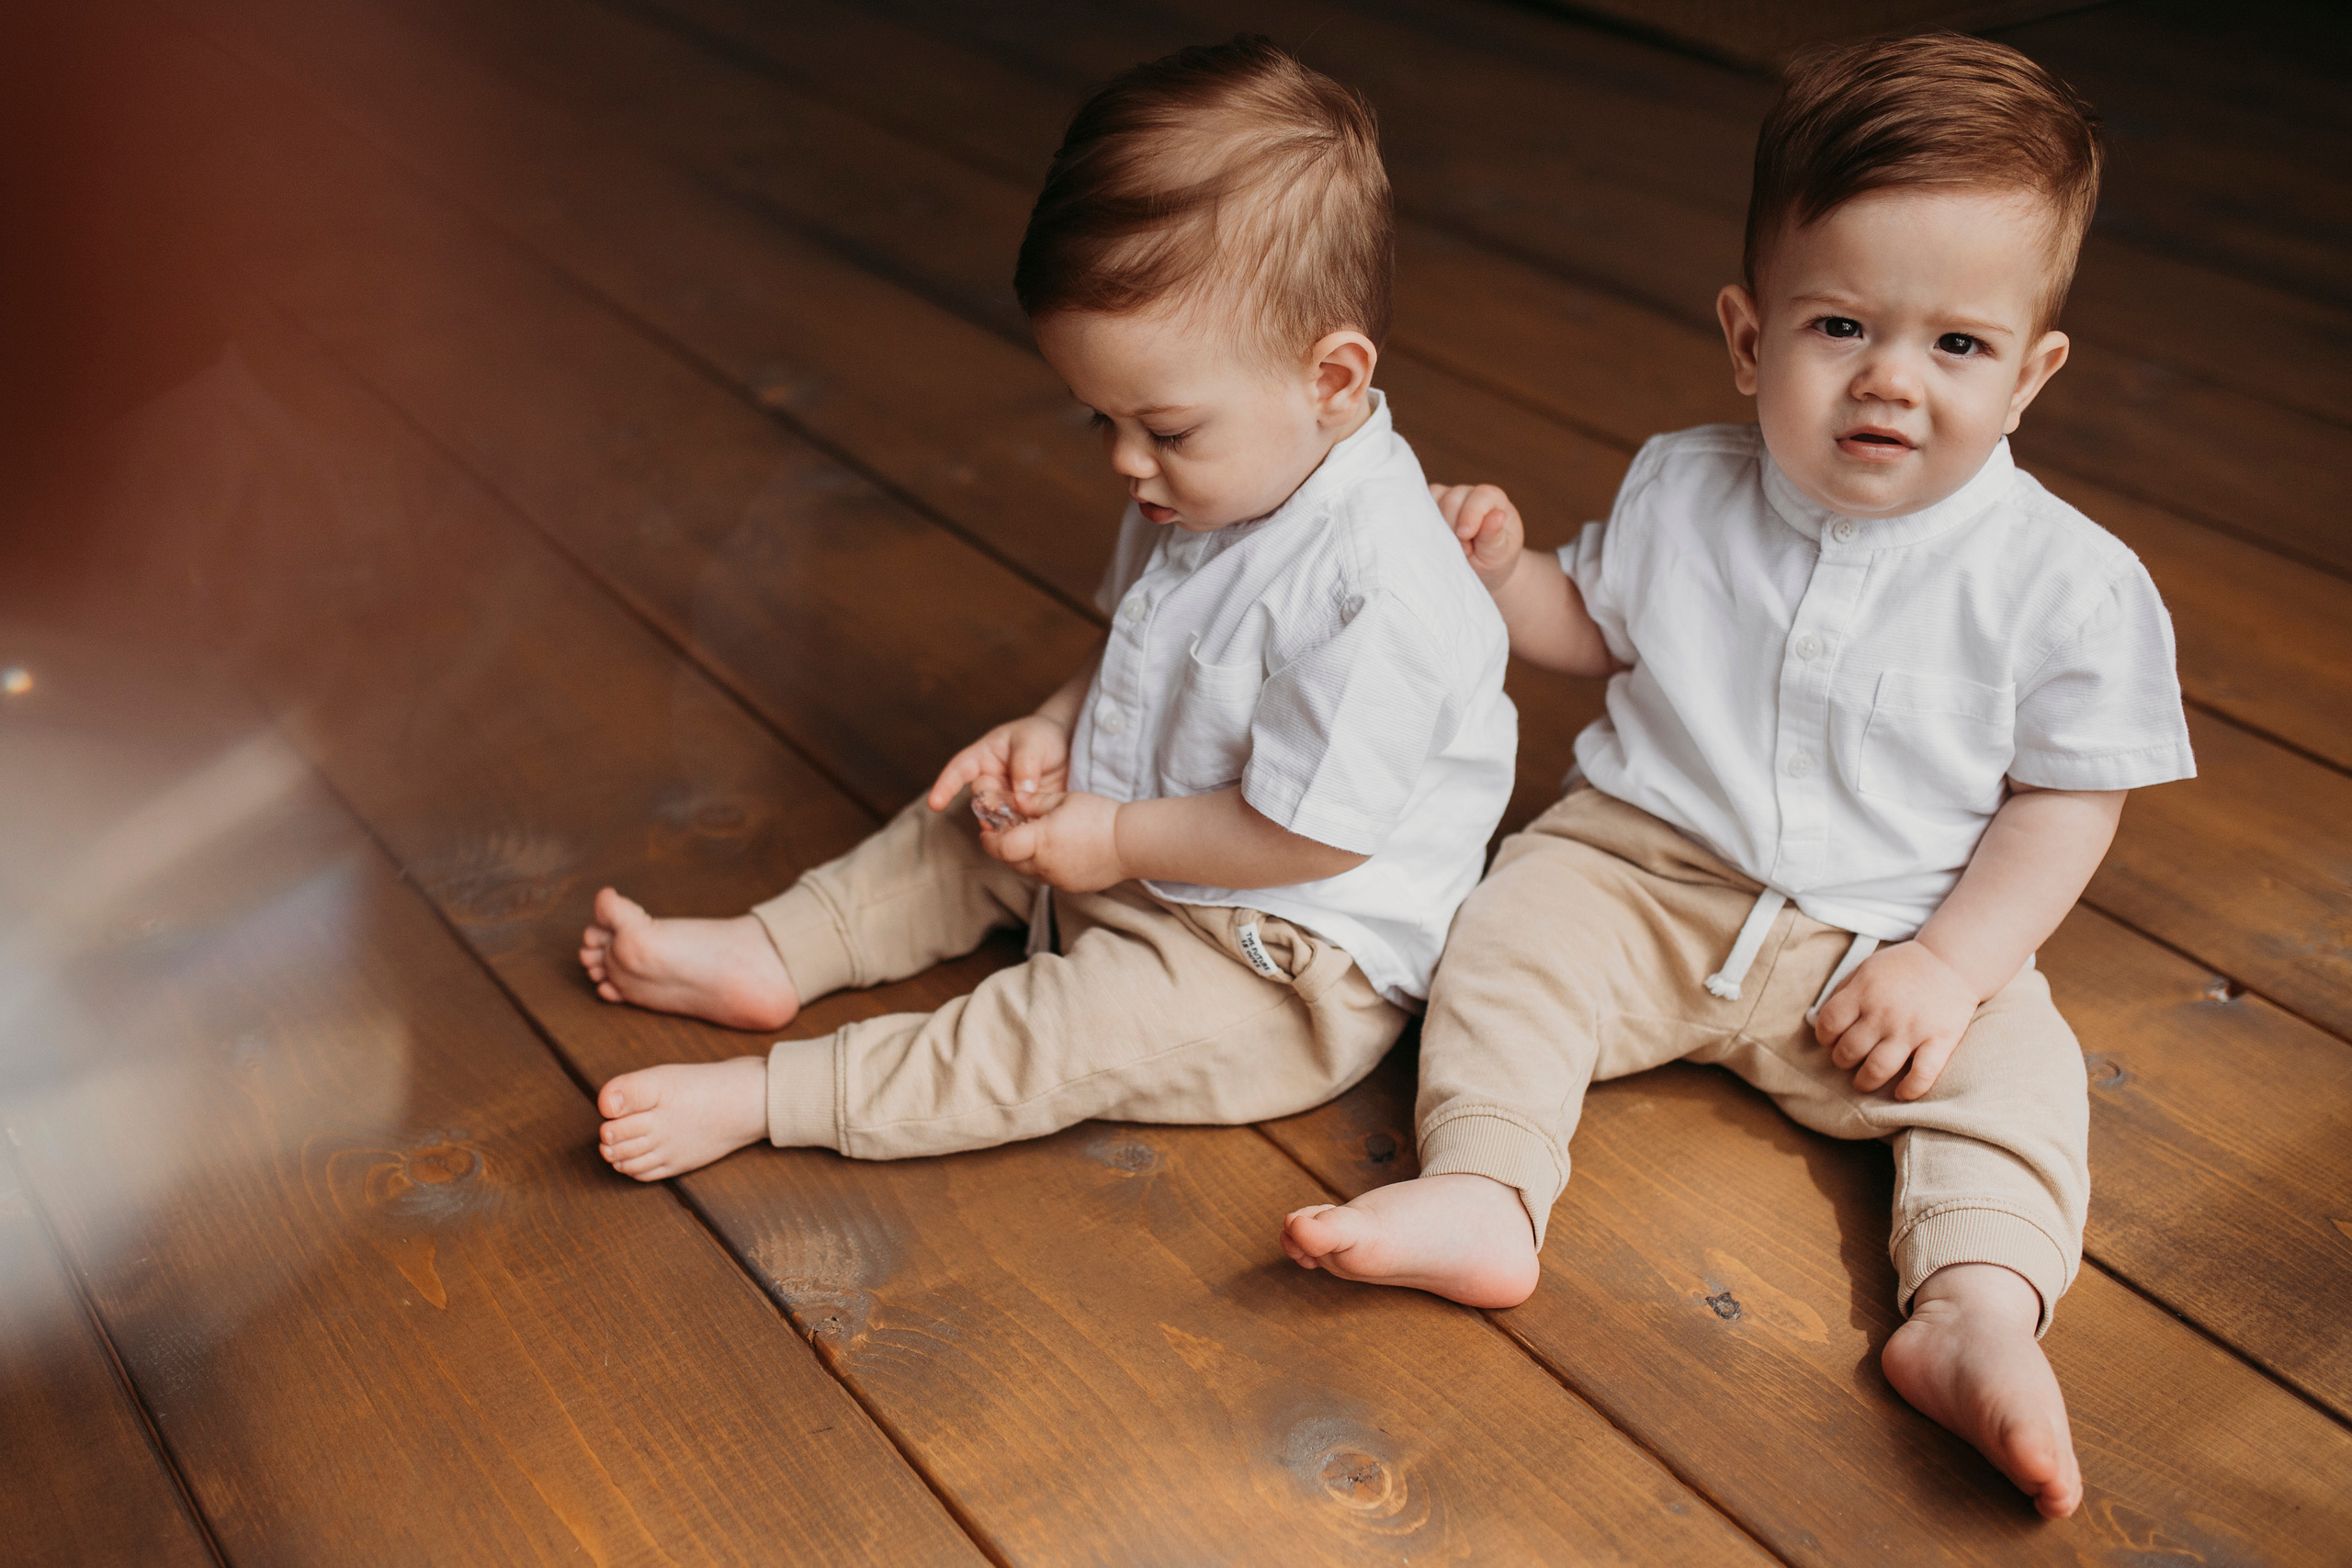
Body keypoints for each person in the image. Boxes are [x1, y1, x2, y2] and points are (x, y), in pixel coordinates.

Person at [1281, 33, 2194, 1521]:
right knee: (1509, 935)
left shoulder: (2069, 587)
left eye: (1956, 346)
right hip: (1643, 869)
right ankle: (1489, 1186)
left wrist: (1956, 969)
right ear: (1749, 335)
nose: (1892, 381)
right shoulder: (1685, 486)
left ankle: (1975, 1307)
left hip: (1892, 941)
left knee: (2022, 1080)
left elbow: (2065, 799)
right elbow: (1590, 627)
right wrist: (1503, 572)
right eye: (1842, 325)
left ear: (2031, 373)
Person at [578, 40, 1516, 1190]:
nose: (1126, 462)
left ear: (1329, 378)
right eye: (1097, 421)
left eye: (1162, 427)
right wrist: (1055, 724)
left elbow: (1313, 831)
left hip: (1278, 959)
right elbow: (1142, 638)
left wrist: (1115, 840)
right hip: (1148, 825)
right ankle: (774, 948)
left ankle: (783, 1096)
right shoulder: (1218, 477)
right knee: (960, 826)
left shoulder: (1379, 592)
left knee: (1056, 1034)